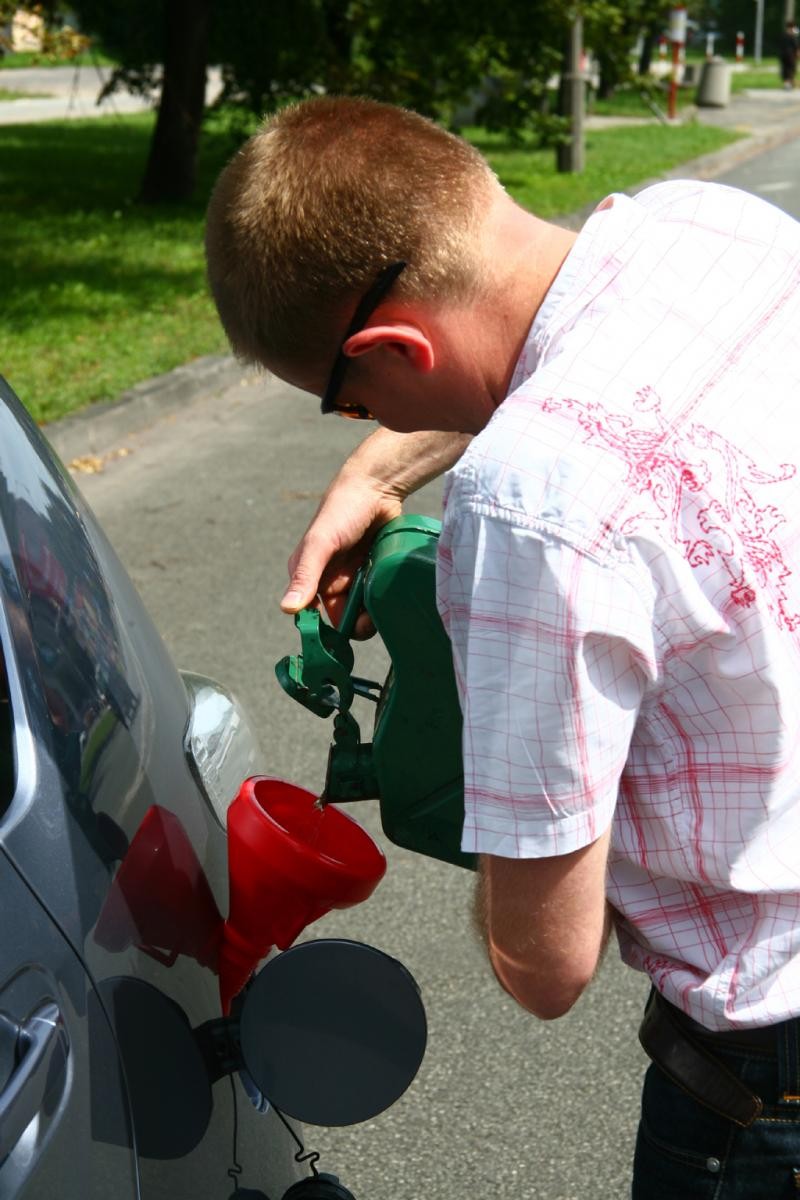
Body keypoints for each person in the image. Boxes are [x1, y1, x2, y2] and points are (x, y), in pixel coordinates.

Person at [205, 96, 800, 1197]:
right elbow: (586, 363)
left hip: (765, 1089)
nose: (361, 420)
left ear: (385, 349)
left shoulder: (528, 517)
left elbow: (544, 966)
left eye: (349, 402)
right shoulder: (709, 226)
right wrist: (377, 471)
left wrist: (472, 736)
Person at [779, 20, 798, 89]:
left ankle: (787, 83)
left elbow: (780, 45)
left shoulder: (783, 35)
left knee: (785, 69)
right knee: (791, 69)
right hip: (791, 55)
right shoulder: (792, 35)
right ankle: (790, 83)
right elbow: (795, 46)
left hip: (783, 54)